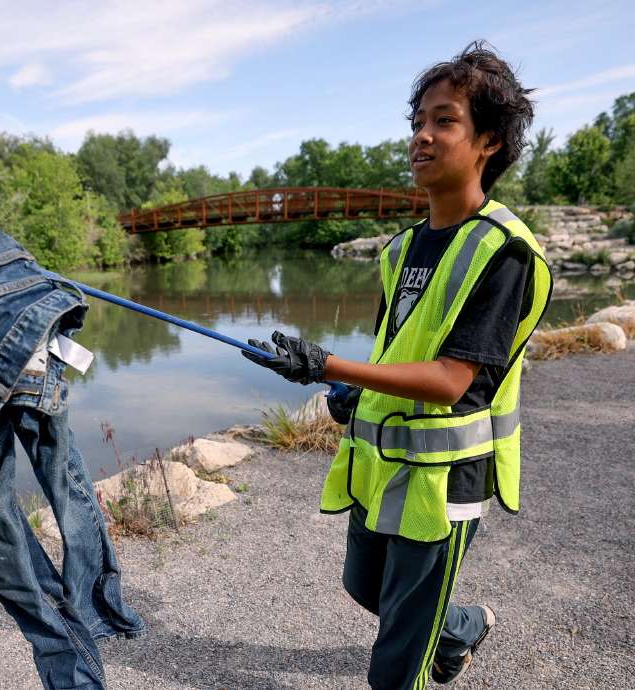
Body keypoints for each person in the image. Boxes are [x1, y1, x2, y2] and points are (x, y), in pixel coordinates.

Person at [243, 42, 552, 689]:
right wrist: (347, 391)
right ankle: (461, 627)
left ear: (490, 140)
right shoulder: (402, 248)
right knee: (364, 587)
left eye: (444, 121)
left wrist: (332, 362)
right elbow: (399, 353)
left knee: (395, 664)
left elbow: (450, 380)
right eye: (417, 122)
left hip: (445, 482)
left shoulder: (505, 253)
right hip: (384, 466)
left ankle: (436, 634)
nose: (422, 136)